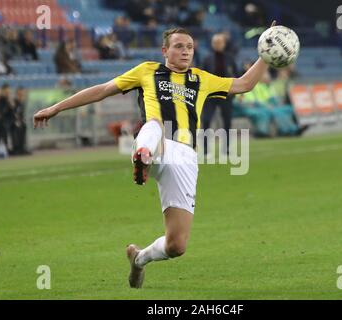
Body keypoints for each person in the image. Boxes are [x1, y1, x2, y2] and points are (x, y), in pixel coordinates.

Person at [33, 22, 275, 289]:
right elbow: (102, 90)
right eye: (179, 46)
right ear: (164, 50)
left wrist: (265, 55)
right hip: (156, 142)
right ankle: (143, 155)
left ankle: (139, 259)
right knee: (155, 125)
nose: (185, 52)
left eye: (190, 47)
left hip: (185, 158)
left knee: (177, 246)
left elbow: (244, 84)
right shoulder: (146, 71)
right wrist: (56, 107)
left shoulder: (201, 79)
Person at [201, 33, 238, 154]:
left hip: (226, 94)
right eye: (215, 43)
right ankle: (206, 148)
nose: (217, 45)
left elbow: (236, 75)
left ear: (224, 44)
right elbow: (202, 76)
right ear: (212, 44)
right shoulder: (207, 59)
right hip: (211, 95)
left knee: (227, 121)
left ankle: (226, 148)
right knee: (206, 120)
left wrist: (235, 92)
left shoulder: (230, 58)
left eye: (220, 42)